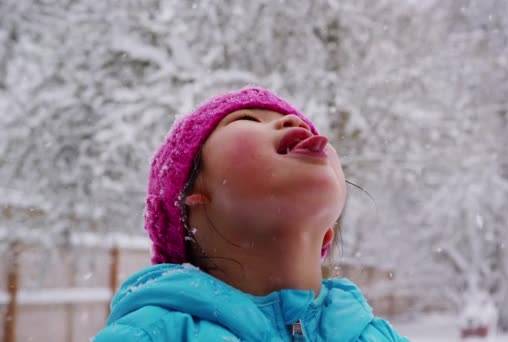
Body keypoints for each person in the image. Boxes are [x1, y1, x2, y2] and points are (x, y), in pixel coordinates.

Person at [94, 87, 408, 341]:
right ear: (190, 197)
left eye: (305, 128)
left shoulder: (378, 336)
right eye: (249, 120)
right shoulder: (152, 334)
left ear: (327, 231)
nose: (294, 122)